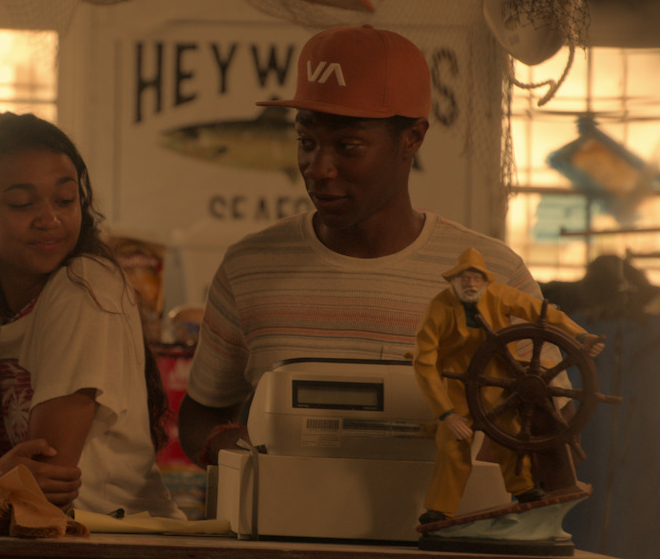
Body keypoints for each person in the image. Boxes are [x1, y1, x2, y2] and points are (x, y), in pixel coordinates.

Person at [177, 25, 551, 469]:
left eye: (349, 146)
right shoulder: (250, 268)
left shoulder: (493, 276)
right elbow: (201, 415)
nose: (319, 169)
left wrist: (472, 474)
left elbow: (549, 417)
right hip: (287, 532)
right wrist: (257, 463)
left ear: (412, 138)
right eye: (306, 142)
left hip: (441, 531)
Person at [0, 111, 182, 518]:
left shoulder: (85, 285)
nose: (50, 219)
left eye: (66, 200)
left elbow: (42, 484)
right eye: (22, 203)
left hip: (111, 539)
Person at [411, 247, 605, 524]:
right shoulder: (439, 308)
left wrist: (580, 335)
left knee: (511, 435)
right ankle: (440, 510)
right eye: (463, 279)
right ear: (452, 280)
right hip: (455, 385)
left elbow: (541, 313)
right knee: (454, 446)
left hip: (498, 378)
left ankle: (524, 489)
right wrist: (446, 413)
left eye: (476, 278)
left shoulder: (500, 295)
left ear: (486, 280)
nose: (470, 284)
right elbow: (424, 363)